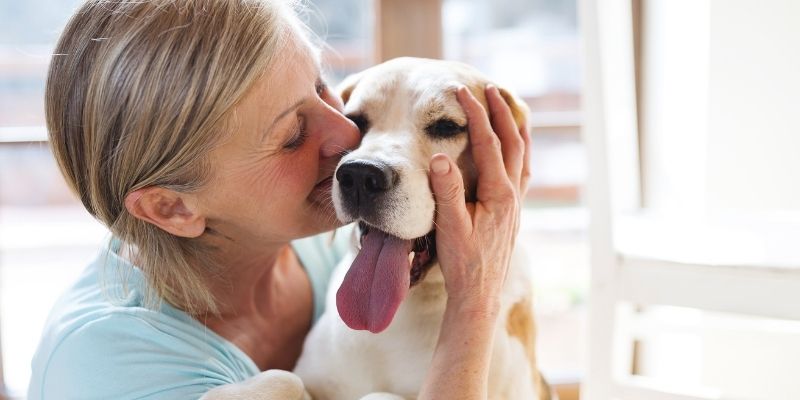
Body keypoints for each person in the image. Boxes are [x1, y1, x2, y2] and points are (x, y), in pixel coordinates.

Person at [28, 0, 531, 399]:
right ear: (174, 207)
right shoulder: (108, 371)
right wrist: (475, 303)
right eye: (292, 134)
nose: (347, 139)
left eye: (321, 88)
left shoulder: (325, 244)